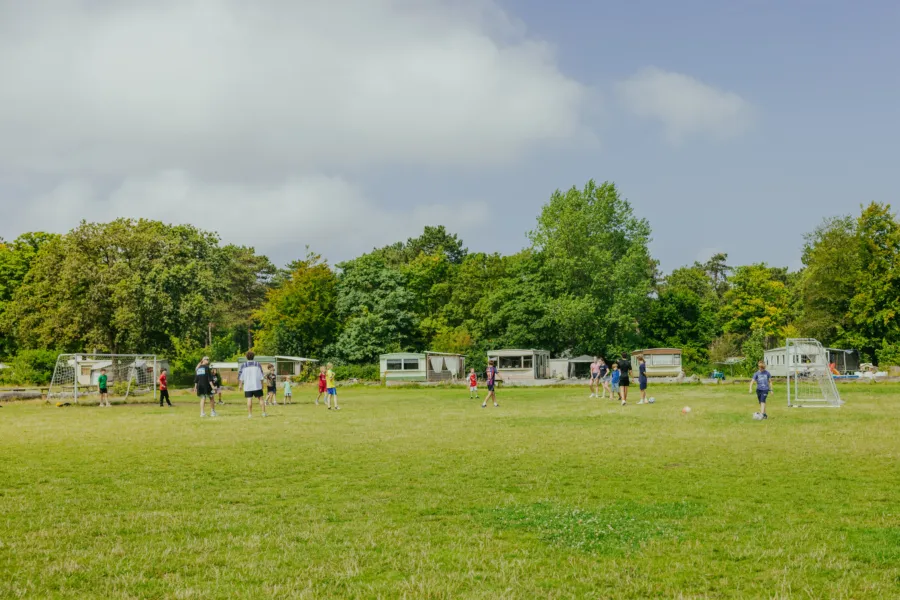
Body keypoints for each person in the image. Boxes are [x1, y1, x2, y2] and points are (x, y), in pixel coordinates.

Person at [238, 351, 266, 418]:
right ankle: (263, 413)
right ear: (254, 356)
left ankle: (250, 414)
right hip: (257, 385)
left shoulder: (243, 365)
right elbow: (261, 376)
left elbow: (241, 376)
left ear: (246, 357)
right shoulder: (257, 364)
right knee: (261, 399)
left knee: (249, 399)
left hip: (248, 386)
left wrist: (240, 385)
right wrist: (262, 385)